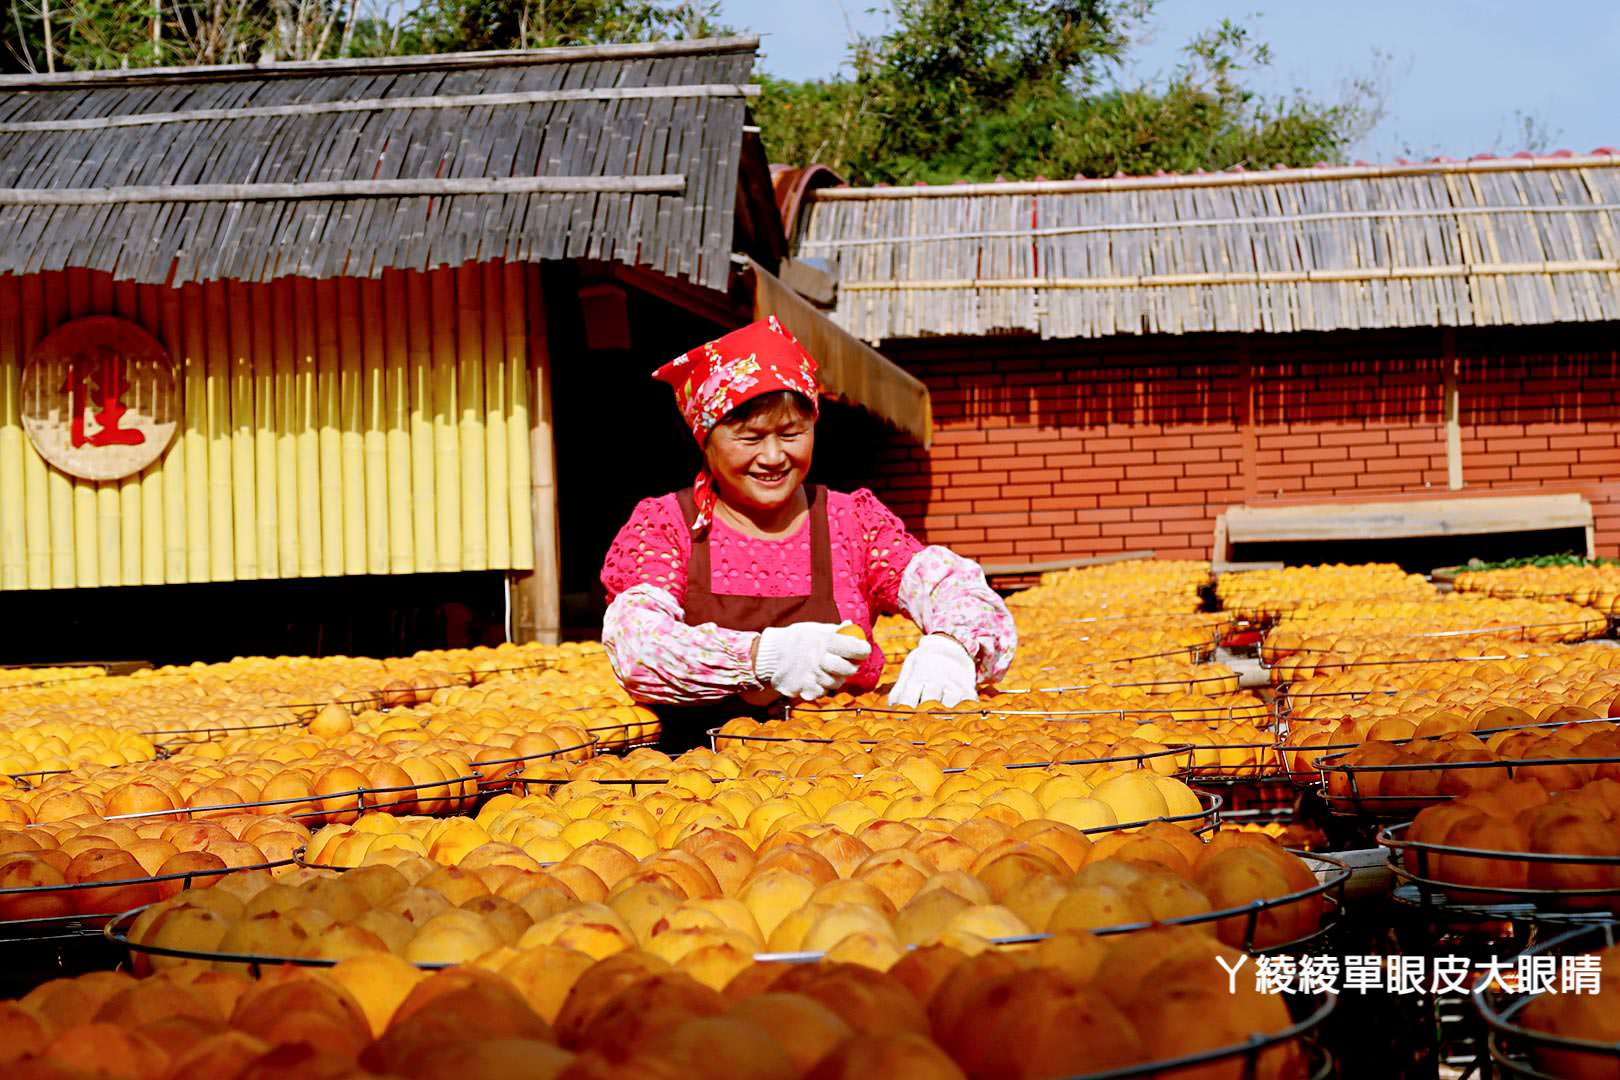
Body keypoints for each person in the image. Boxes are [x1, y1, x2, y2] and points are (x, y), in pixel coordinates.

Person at [599, 317, 1016, 751]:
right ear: (706, 439)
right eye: (749, 437)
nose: (774, 456)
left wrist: (950, 648)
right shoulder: (667, 527)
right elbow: (637, 643)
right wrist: (762, 658)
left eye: (792, 433)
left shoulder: (853, 523)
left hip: (848, 781)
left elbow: (952, 588)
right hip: (700, 785)